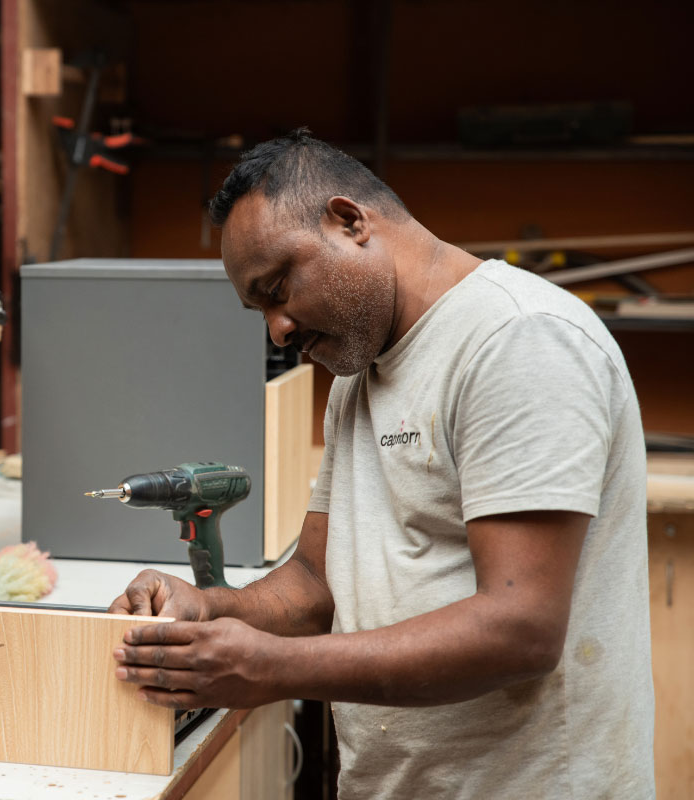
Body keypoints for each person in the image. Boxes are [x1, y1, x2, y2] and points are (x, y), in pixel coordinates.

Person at [108, 129, 654, 798]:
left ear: (350, 221)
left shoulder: (519, 341)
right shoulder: (359, 373)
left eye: (278, 288)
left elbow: (521, 629)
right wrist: (210, 609)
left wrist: (272, 668)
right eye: (260, 310)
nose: (278, 329)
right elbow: (317, 582)